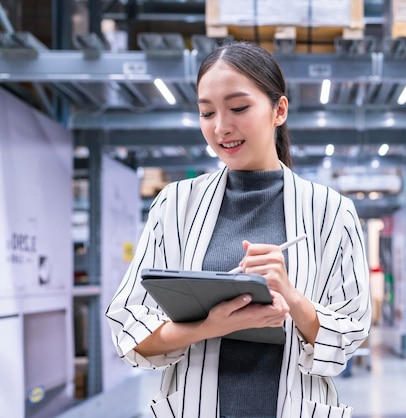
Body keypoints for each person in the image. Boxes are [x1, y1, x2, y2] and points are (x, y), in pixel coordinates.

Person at [105, 41, 371, 418]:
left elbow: (348, 335)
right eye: (206, 112)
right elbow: (128, 328)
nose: (220, 127)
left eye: (239, 108)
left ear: (279, 110)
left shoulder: (331, 211)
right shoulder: (175, 205)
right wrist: (208, 326)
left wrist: (291, 297)